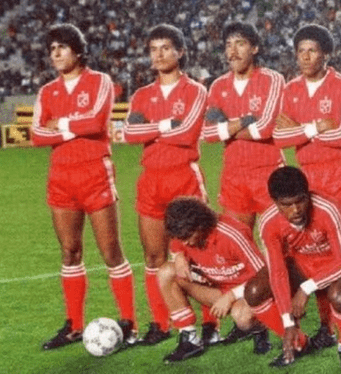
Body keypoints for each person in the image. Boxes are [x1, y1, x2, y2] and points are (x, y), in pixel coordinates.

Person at [32, 23, 137, 350]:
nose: (56, 54)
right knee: (70, 252)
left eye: (61, 47)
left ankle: (129, 324)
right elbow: (36, 135)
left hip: (94, 174)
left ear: (77, 50)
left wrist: (60, 125)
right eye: (51, 50)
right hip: (60, 179)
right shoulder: (46, 92)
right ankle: (74, 326)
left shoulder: (99, 81)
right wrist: (74, 128)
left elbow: (96, 122)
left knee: (111, 252)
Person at [273, 24, 341, 344]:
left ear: (326, 54)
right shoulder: (291, 89)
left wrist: (300, 129)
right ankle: (328, 328)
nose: (305, 56)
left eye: (312, 50)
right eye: (300, 51)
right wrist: (317, 126)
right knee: (322, 254)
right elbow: (278, 136)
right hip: (311, 181)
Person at [123, 24, 208, 346]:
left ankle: (210, 324)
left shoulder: (196, 90)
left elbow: (186, 133)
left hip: (183, 178)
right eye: (153, 49)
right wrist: (164, 126)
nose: (158, 55)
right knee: (154, 256)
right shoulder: (142, 95)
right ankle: (161, 324)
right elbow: (129, 135)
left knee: (197, 254)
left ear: (180, 52)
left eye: (165, 48)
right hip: (151, 180)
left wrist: (150, 129)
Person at [244, 166, 341, 370]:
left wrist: (306, 289)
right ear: (276, 203)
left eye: (300, 201)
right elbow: (277, 272)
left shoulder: (327, 208)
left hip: (335, 264)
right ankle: (299, 342)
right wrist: (288, 322)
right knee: (254, 291)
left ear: (308, 195)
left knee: (339, 296)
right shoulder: (268, 223)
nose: (295, 210)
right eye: (287, 205)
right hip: (303, 265)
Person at [157, 197, 270, 363]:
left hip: (246, 292)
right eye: (181, 238)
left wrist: (231, 295)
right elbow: (177, 243)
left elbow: (264, 275)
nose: (185, 242)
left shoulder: (232, 234)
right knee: (166, 272)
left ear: (201, 225)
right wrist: (179, 255)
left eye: (188, 237)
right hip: (216, 289)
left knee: (243, 319)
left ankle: (259, 330)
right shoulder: (185, 232)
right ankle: (189, 339)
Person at [202, 21, 285, 231]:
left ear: (254, 48)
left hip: (268, 172)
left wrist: (226, 126)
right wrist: (244, 121)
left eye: (240, 44)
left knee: (279, 245)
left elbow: (265, 129)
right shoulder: (218, 85)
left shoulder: (272, 79)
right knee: (238, 246)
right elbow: (208, 134)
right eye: (229, 45)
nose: (233, 51)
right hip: (233, 176)